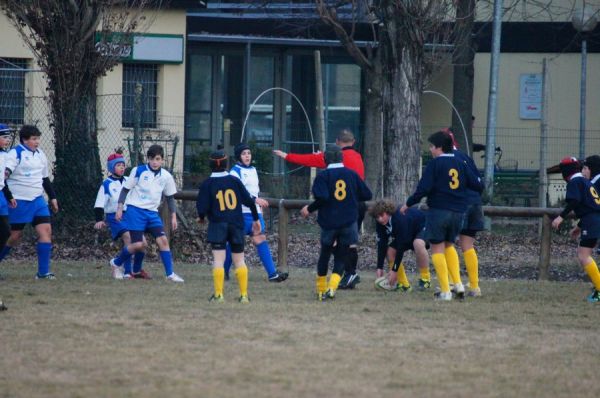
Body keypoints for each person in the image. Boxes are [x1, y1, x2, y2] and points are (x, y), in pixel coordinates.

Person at [274, 128, 365, 289]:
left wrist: (287, 156)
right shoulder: (358, 157)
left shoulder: (337, 158)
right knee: (349, 241)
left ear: (337, 142)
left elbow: (310, 160)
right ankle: (347, 274)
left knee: (334, 243)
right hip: (356, 205)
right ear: (354, 142)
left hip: (339, 208)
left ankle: (349, 273)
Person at [400, 131, 483, 301]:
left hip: (439, 210)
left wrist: (408, 204)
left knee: (437, 248)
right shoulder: (462, 161)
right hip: (459, 212)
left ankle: (446, 291)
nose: (430, 149)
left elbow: (423, 189)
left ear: (439, 147)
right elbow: (476, 184)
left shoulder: (435, 164)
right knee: (449, 245)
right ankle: (460, 285)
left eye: (431, 146)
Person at [300, 145, 372, 300]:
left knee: (325, 254)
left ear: (326, 158)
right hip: (349, 222)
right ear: (341, 158)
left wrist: (309, 208)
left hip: (329, 221)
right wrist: (351, 199)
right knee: (341, 255)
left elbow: (323, 197)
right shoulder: (351, 174)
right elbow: (367, 194)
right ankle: (332, 289)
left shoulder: (323, 176)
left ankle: (320, 290)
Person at [111, 144, 184, 283]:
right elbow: (125, 190)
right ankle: (116, 262)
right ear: (148, 159)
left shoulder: (166, 176)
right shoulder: (138, 171)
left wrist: (173, 216)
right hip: (135, 211)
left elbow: (169, 198)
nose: (155, 162)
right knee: (140, 245)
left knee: (163, 240)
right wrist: (120, 208)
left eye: (158, 159)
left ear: (162, 160)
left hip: (152, 213)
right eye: (152, 159)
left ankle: (170, 274)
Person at [196, 150, 261, 303]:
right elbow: (250, 201)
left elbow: (202, 207)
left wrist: (201, 217)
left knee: (219, 260)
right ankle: (244, 295)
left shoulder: (207, 184)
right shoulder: (234, 180)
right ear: (226, 164)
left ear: (210, 165)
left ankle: (219, 295)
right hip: (236, 224)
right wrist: (256, 219)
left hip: (218, 224)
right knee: (240, 260)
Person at [0, 125, 58, 279]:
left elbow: (44, 178)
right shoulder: (15, 153)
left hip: (38, 201)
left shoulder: (40, 155)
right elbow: (5, 173)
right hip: (18, 201)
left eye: (38, 138)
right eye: (34, 139)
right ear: (25, 140)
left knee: (46, 231)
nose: (37, 142)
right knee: (13, 236)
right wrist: (7, 174)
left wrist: (52, 197)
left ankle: (43, 273)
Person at [224, 143, 287, 282]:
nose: (247, 156)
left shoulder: (253, 170)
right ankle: (223, 271)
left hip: (254, 214)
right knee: (235, 243)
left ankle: (272, 274)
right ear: (238, 157)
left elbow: (254, 192)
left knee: (260, 239)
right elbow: (236, 194)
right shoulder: (235, 172)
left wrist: (259, 210)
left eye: (249, 153)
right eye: (244, 154)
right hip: (240, 214)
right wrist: (255, 200)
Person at [552, 156, 600, 303]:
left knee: (583, 255)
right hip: (594, 219)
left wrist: (561, 217)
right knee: (584, 253)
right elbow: (588, 205)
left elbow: (575, 201)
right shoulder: (585, 182)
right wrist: (579, 227)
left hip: (592, 220)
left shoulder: (575, 181)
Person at [94, 150, 148, 279]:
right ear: (112, 167)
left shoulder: (129, 181)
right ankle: (127, 272)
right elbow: (99, 203)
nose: (122, 167)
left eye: (123, 165)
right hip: (115, 217)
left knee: (142, 243)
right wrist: (99, 219)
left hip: (131, 215)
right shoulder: (106, 184)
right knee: (129, 239)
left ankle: (136, 270)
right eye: (118, 165)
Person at [443, 129, 484, 297]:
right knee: (468, 245)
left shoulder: (445, 159)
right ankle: (474, 287)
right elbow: (479, 182)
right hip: (474, 202)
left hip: (458, 204)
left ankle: (454, 283)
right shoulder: (465, 157)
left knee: (447, 243)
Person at [370, 199, 431, 292]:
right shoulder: (380, 224)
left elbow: (401, 246)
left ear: (388, 212)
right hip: (406, 234)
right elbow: (382, 244)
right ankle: (404, 285)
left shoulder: (399, 219)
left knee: (418, 243)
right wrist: (379, 267)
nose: (380, 219)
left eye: (382, 215)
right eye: (377, 217)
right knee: (390, 251)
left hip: (423, 226)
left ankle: (425, 280)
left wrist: (394, 270)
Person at [0, 124, 15, 279]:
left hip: (1, 198)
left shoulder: (4, 155)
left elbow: (2, 180)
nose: (7, 140)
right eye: (4, 137)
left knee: (5, 232)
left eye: (8, 137)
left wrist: (9, 196)